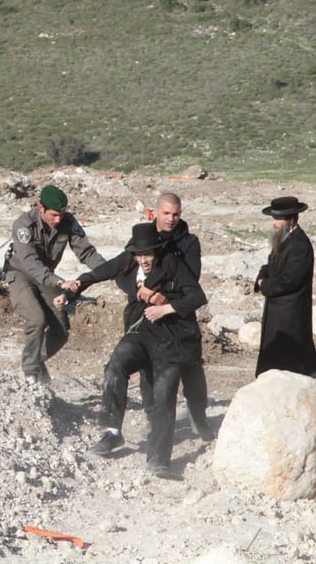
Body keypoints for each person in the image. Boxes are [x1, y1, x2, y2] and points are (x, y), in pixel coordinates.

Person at [84, 222, 206, 478]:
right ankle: (113, 432)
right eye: (139, 255)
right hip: (140, 335)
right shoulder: (130, 264)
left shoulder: (173, 264)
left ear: (157, 251)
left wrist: (166, 307)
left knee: (163, 397)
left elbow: (197, 297)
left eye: (148, 254)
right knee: (115, 366)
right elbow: (102, 271)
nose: (143, 259)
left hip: (171, 340)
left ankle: (159, 458)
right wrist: (76, 285)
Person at [3, 184, 106, 384]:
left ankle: (37, 361)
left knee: (61, 329)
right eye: (53, 215)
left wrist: (109, 270)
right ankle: (30, 373)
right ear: (41, 207)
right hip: (21, 274)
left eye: (61, 214)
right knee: (36, 319)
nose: (58, 220)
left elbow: (86, 252)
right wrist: (60, 282)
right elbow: (30, 262)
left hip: (47, 276)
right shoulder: (23, 225)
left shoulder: (68, 222)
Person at [149, 193, 213, 440]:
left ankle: (199, 418)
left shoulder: (189, 243)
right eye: (166, 213)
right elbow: (129, 269)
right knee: (151, 370)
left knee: (193, 370)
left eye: (175, 214)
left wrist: (164, 290)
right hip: (151, 312)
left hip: (182, 314)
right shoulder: (145, 237)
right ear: (156, 211)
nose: (171, 219)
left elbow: (191, 279)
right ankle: (154, 421)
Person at [254, 196, 316, 379]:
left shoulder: (300, 245)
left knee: (290, 366)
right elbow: (270, 265)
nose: (274, 223)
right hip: (278, 312)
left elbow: (290, 280)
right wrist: (261, 278)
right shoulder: (284, 239)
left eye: (278, 219)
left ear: (291, 220)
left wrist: (265, 285)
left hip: (290, 315)